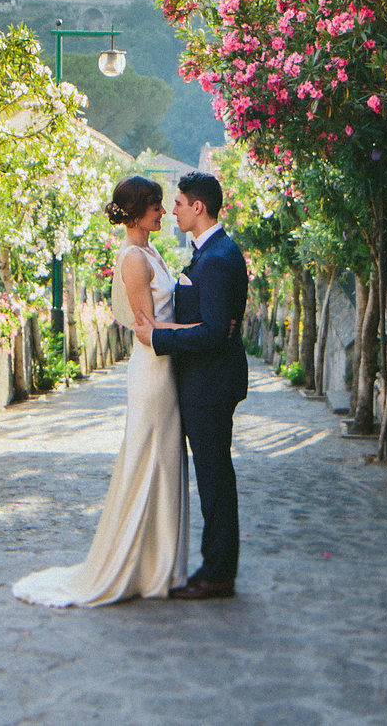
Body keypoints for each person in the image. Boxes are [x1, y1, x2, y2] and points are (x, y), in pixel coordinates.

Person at [13, 175, 192, 607]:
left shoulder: (151, 251)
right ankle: (138, 565)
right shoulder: (133, 258)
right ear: (135, 212)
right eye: (155, 207)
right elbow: (147, 328)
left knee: (166, 463)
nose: (164, 213)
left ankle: (159, 564)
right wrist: (199, 330)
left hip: (167, 370)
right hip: (152, 371)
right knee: (147, 460)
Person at [134, 169, 248, 600]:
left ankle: (218, 572)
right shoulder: (212, 253)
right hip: (205, 383)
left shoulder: (218, 258)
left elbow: (216, 331)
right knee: (215, 475)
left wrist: (159, 337)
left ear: (198, 207)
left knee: (215, 478)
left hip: (210, 386)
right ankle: (216, 565)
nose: (173, 210)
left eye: (179, 203)